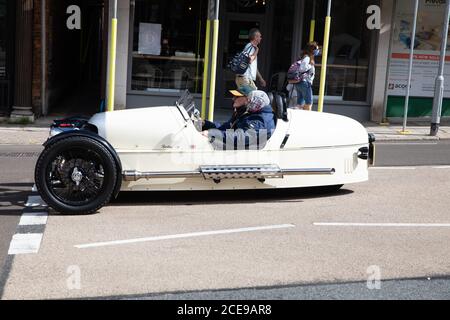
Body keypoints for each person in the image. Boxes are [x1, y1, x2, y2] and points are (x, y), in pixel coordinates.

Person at [201, 88, 275, 150]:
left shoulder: (260, 120)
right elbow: (226, 128)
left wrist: (212, 133)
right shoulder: (246, 113)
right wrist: (205, 124)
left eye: (237, 96)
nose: (233, 98)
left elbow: (241, 138)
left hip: (243, 155)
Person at [289, 41, 320, 111]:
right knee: (309, 102)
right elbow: (302, 68)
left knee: (300, 103)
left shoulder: (303, 57)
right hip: (304, 82)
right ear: (312, 50)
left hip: (300, 82)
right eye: (317, 49)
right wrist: (310, 65)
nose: (318, 51)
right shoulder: (307, 58)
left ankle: (299, 113)